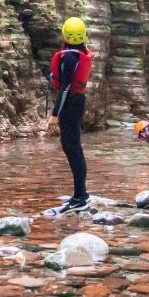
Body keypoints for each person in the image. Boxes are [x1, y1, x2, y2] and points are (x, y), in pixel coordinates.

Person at [46, 16, 93, 214]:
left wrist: (54, 115)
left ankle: (79, 197)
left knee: (72, 148)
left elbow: (65, 89)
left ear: (64, 34)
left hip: (70, 104)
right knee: (75, 147)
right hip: (78, 101)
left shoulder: (69, 57)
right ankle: (81, 193)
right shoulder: (80, 53)